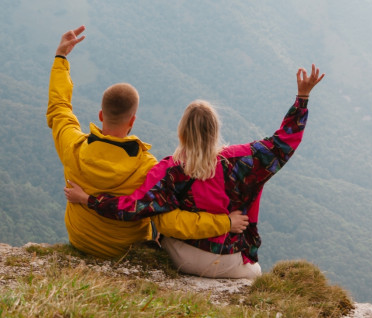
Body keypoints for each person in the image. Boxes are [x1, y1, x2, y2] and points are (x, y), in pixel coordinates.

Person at [65, 63, 325, 278]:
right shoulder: (243, 161)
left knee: (163, 230)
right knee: (256, 274)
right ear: (215, 130)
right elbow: (282, 144)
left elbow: (131, 208)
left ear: (182, 131)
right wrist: (302, 98)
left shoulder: (167, 170)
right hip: (229, 260)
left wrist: (87, 199)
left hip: (182, 258)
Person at [47, 26, 248, 259]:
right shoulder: (148, 168)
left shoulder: (72, 146)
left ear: (101, 115)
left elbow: (59, 108)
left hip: (81, 240)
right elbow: (169, 222)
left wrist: (61, 58)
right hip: (126, 251)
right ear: (133, 120)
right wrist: (225, 222)